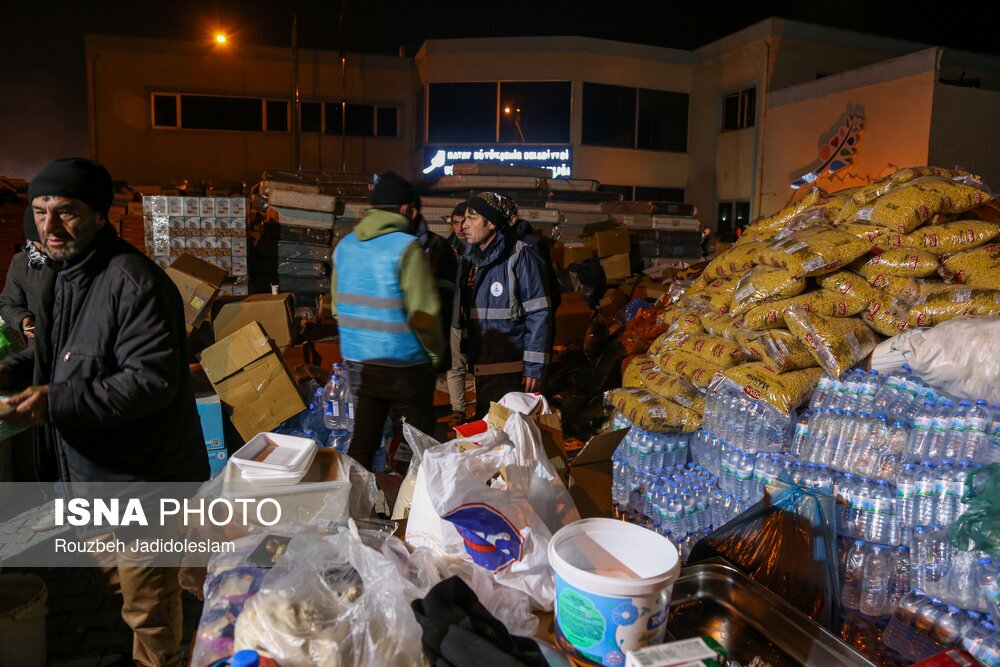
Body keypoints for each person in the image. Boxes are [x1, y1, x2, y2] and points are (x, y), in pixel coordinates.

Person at [0, 158, 208, 667]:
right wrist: (8, 371)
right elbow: (54, 355)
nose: (48, 227)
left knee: (149, 609)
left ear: (98, 215)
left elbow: (150, 381)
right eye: (41, 211)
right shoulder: (61, 279)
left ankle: (164, 655)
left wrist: (56, 403)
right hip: (90, 477)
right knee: (115, 581)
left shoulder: (133, 282)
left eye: (65, 212)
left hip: (143, 480)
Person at [331, 171, 444, 470]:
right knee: (417, 445)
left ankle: (353, 508)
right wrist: (434, 355)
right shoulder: (407, 248)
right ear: (406, 209)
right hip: (405, 367)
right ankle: (413, 509)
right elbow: (425, 314)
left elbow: (334, 308)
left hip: (361, 366)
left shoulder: (345, 246)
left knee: (363, 443)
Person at [457, 192, 551, 416]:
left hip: (511, 369)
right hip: (484, 365)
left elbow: (539, 313)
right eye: (464, 218)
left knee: (509, 433)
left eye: (472, 219)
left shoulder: (520, 256)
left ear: (491, 224)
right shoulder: (472, 261)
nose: (464, 225)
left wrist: (533, 367)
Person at [408, 196, 457, 371]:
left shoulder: (437, 247)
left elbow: (443, 305)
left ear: (411, 212)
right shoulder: (393, 246)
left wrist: (435, 354)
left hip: (423, 351)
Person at [0, 208, 55, 348]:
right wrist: (22, 319)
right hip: (38, 350)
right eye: (38, 244)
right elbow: (7, 303)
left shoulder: (74, 261)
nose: (43, 249)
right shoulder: (20, 262)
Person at [444, 202, 470, 424]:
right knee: (455, 366)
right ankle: (458, 411)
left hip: (476, 317)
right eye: (455, 223)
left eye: (464, 222)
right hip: (454, 316)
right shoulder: (446, 249)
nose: (460, 228)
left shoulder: (481, 248)